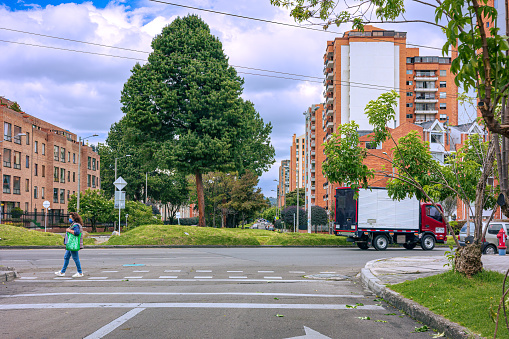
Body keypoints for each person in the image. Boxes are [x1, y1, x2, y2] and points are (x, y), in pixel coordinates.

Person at [55, 212, 84, 278]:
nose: (69, 219)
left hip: (73, 244)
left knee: (75, 258)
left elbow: (77, 233)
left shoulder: (76, 225)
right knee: (66, 257)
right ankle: (62, 272)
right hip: (70, 244)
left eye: (70, 218)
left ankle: (80, 272)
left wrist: (69, 230)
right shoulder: (74, 224)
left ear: (74, 218)